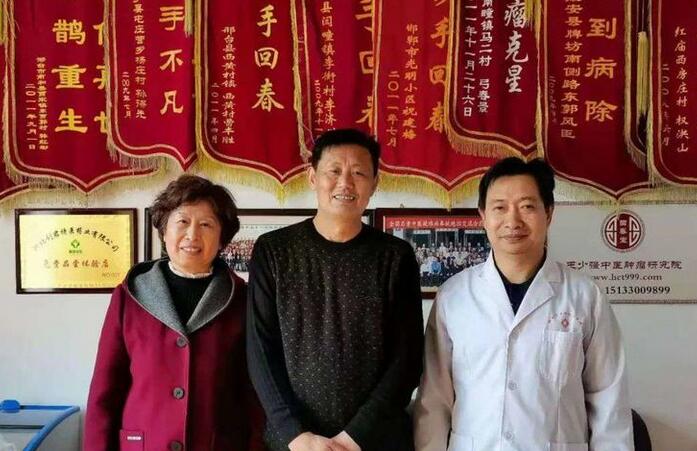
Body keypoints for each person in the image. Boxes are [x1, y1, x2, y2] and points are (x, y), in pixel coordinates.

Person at [413, 158, 633, 450]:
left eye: (527, 206)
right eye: (499, 207)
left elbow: (609, 401)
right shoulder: (454, 296)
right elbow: (434, 399)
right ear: (483, 216)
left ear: (548, 213)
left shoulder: (584, 296)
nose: (512, 221)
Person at [247, 128, 424, 451]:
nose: (345, 183)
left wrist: (353, 438)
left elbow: (407, 358)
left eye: (358, 173)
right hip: (293, 443)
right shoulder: (273, 250)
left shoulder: (396, 257)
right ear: (312, 177)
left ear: (375, 183)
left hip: (375, 441)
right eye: (334, 171)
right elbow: (260, 351)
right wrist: (296, 435)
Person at [84, 175, 263, 451]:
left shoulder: (242, 299)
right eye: (182, 221)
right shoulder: (129, 296)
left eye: (206, 224)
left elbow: (253, 393)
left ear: (222, 238)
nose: (192, 235)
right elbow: (104, 393)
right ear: (164, 230)